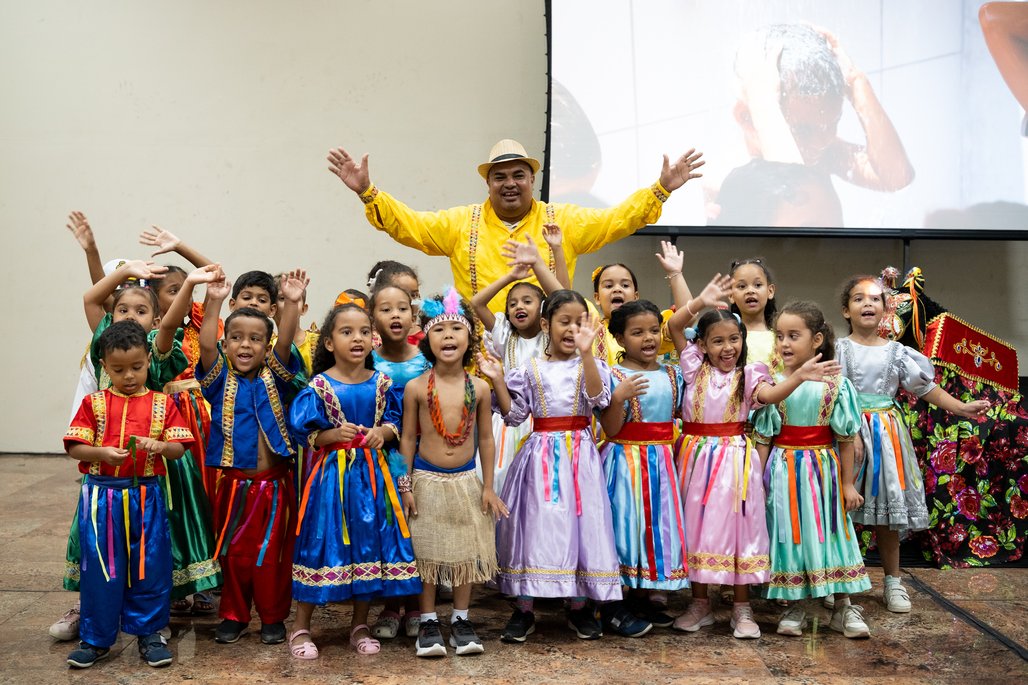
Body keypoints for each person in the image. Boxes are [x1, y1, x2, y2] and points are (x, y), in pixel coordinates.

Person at [326, 139, 705, 311]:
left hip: (547, 351)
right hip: (480, 355)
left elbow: (615, 220)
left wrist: (659, 190)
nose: (509, 183)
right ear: (488, 184)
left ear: (531, 179)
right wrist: (368, 193)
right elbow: (407, 225)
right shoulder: (462, 223)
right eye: (500, 176)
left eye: (518, 175)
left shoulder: (563, 220)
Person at [666, 283, 841, 639]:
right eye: (717, 341)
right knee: (696, 528)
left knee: (737, 530)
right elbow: (673, 327)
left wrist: (797, 377)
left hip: (734, 459)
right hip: (695, 458)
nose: (727, 348)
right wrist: (689, 291)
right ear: (701, 345)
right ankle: (700, 604)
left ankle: (741, 608)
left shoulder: (750, 374)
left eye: (734, 339)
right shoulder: (692, 369)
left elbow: (769, 395)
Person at [833, 276, 989, 613]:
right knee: (839, 510)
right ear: (846, 310)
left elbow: (924, 388)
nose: (867, 304)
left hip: (887, 437)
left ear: (886, 308)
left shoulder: (896, 352)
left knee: (887, 511)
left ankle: (892, 581)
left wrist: (961, 407)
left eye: (875, 299)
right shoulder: (837, 349)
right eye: (858, 299)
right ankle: (838, 582)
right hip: (846, 435)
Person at [480, 290, 620, 643]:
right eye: (564, 322)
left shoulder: (592, 365)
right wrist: (498, 377)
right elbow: (514, 414)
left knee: (580, 525)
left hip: (580, 457)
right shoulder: (530, 369)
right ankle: (524, 607)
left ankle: (578, 606)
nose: (572, 329)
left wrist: (588, 354)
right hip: (540, 456)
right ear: (546, 325)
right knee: (536, 527)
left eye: (580, 322)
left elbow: (597, 398)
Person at [287, 301, 420, 658]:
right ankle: (301, 627)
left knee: (367, 546)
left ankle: (359, 624)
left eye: (363, 331)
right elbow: (306, 434)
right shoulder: (318, 386)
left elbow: (398, 423)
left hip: (374, 479)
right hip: (332, 481)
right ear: (329, 342)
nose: (357, 338)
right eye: (346, 332)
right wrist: (332, 434)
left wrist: (383, 432)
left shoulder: (383, 383)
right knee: (321, 545)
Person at [63, 321, 195, 668]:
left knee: (150, 566)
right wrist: (101, 454)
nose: (129, 376)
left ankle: (150, 633)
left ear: (148, 360)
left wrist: (162, 446)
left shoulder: (162, 403)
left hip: (146, 496)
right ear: (104, 366)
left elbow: (179, 450)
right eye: (118, 369)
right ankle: (95, 637)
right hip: (102, 499)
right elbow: (76, 448)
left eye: (136, 367)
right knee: (101, 569)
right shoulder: (93, 404)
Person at [197, 268, 308, 647]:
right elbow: (206, 345)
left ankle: (273, 617)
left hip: (275, 487)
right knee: (233, 556)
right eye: (237, 338)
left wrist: (291, 303)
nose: (246, 345)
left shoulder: (274, 376)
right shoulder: (216, 381)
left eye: (256, 339)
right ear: (226, 343)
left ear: (266, 345)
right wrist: (213, 299)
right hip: (233, 489)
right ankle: (233, 614)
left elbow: (287, 338)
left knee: (272, 558)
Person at [753, 301, 872, 639]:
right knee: (791, 535)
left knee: (832, 533)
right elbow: (764, 437)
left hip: (823, 473)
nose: (785, 344)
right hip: (783, 472)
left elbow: (846, 439)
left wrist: (848, 484)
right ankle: (797, 604)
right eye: (780, 336)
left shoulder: (836, 385)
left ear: (817, 340)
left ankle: (844, 605)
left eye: (794, 335)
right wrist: (756, 482)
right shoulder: (775, 385)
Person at [398, 290, 506, 657]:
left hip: (465, 482)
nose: (448, 336)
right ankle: (428, 621)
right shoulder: (415, 387)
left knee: (464, 554)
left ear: (469, 339)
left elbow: (487, 439)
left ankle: (461, 618)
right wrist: (406, 484)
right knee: (426, 553)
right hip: (426, 482)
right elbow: (408, 440)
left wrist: (488, 486)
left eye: (456, 328)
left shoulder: (479, 387)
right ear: (426, 339)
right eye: (439, 329)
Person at [597, 300, 688, 636]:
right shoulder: (613, 374)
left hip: (662, 463)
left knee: (652, 528)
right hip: (625, 464)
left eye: (653, 330)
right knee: (625, 527)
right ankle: (611, 606)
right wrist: (619, 397)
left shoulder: (672, 373)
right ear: (620, 339)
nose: (648, 338)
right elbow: (611, 429)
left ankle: (638, 597)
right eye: (637, 332)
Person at [734, 24, 913, 192]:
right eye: (802, 130)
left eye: (831, 125)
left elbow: (896, 177)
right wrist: (764, 104)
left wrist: (856, 83)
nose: (822, 142)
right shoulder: (725, 180)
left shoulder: (822, 153)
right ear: (746, 117)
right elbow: (794, 201)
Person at [471, 228, 565, 494]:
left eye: (527, 301)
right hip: (509, 420)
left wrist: (554, 251)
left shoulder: (551, 335)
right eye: (512, 304)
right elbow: (478, 303)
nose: (518, 307)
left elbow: (563, 296)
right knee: (502, 481)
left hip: (544, 419)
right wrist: (511, 276)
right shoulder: (504, 334)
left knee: (536, 488)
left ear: (545, 309)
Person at [367, 283, 431, 641]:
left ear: (413, 314)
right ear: (373, 318)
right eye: (386, 309)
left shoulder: (427, 357)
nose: (395, 315)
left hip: (427, 456)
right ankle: (392, 604)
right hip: (384, 457)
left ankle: (419, 606)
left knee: (419, 529)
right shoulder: (368, 360)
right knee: (393, 530)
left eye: (402, 308)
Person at [589, 241, 691, 366]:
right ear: (597, 297)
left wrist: (675, 274)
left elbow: (686, 317)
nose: (617, 289)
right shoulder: (590, 324)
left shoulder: (650, 329)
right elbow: (562, 298)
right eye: (609, 285)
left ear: (636, 296)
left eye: (625, 285)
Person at [729, 257, 779, 369]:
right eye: (742, 286)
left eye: (757, 285)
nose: (750, 291)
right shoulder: (726, 336)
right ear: (730, 294)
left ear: (770, 291)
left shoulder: (781, 335)